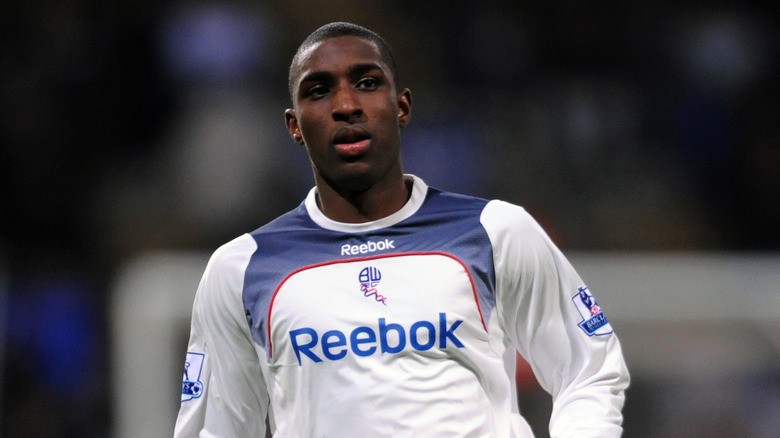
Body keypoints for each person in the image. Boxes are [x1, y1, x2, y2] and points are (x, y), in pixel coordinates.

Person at [173, 21, 629, 437]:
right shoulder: (242, 269)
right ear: (294, 126)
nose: (346, 105)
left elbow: (588, 368)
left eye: (368, 84)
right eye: (319, 90)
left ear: (402, 106)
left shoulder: (495, 231)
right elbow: (215, 430)